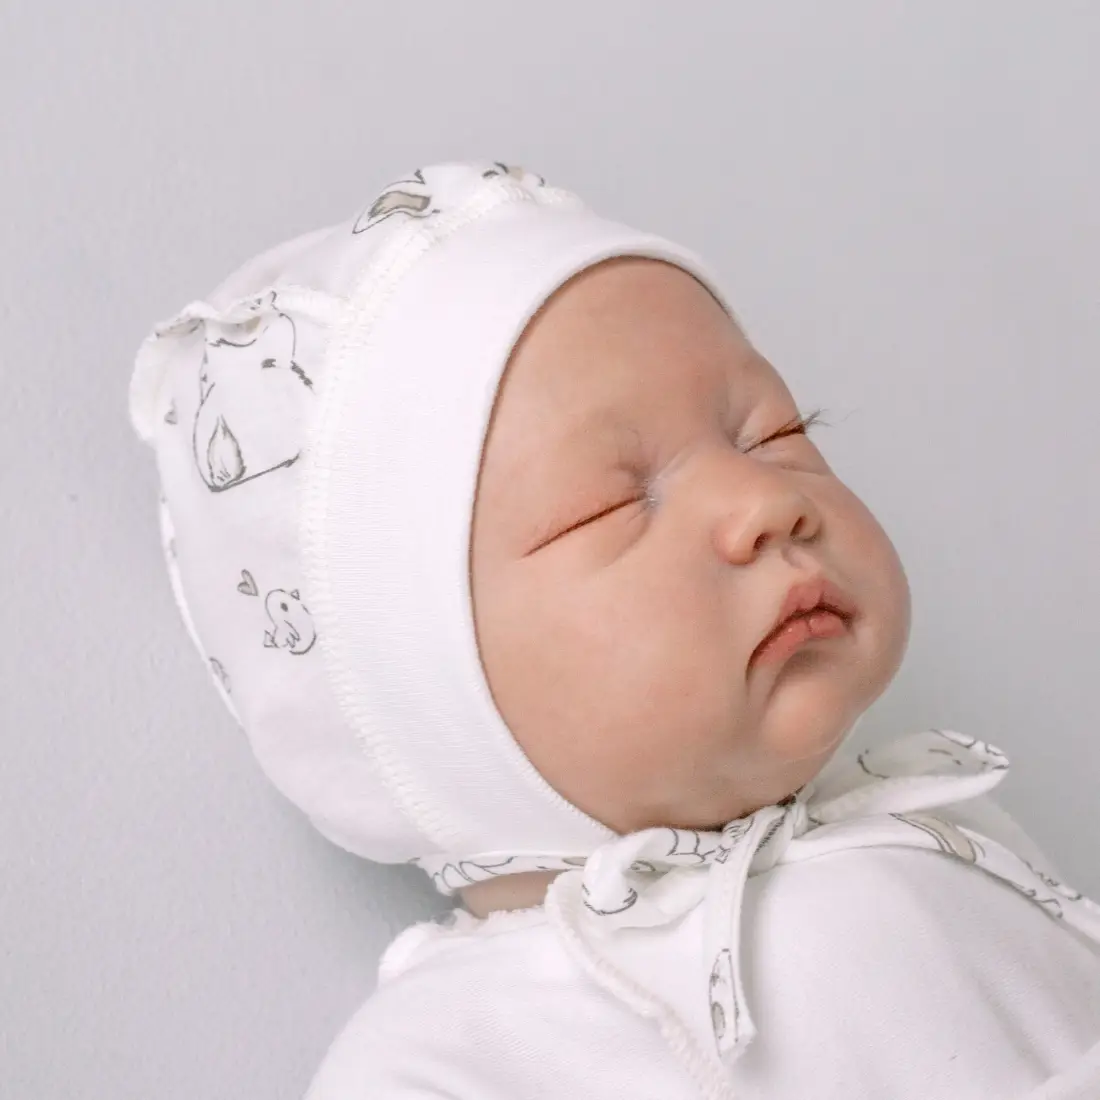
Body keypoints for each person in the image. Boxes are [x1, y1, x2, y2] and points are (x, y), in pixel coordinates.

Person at [128, 161, 1100, 1099]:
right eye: (610, 505)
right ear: (428, 704)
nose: (766, 499)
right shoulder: (462, 1055)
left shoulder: (946, 832)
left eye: (774, 432)